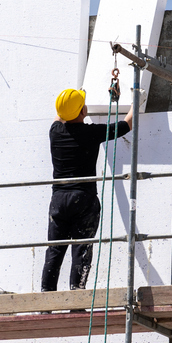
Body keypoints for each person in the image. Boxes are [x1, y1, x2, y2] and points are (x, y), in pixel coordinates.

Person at [41, 87, 134, 292]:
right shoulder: (91, 133)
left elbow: (61, 114)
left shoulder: (55, 132)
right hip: (84, 199)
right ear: (83, 111)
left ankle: (46, 299)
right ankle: (77, 296)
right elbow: (126, 125)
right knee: (81, 249)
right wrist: (137, 102)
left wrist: (75, 97)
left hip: (59, 200)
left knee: (54, 250)